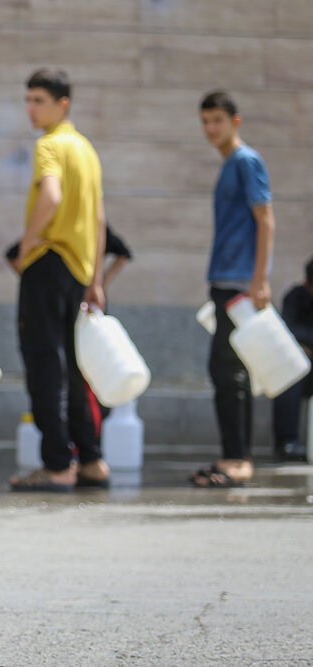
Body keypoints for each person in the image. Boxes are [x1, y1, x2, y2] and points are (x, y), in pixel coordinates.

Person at [8, 69, 108, 493]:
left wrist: (26, 245)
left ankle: (56, 465)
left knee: (45, 366)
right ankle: (90, 461)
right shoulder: (85, 149)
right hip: (78, 270)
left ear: (62, 103)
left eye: (39, 101)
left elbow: (51, 196)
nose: (31, 109)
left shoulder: (50, 144)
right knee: (74, 366)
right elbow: (99, 218)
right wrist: (96, 277)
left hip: (48, 264)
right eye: (28, 100)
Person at [191, 90, 276, 488]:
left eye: (217, 121)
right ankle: (236, 456)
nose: (211, 129)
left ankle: (237, 459)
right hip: (224, 280)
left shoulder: (245, 161)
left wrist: (260, 280)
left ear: (235, 121)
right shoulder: (230, 164)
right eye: (205, 121)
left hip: (240, 283)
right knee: (230, 370)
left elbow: (266, 220)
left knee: (227, 370)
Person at [272, 258, 313, 462]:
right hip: (301, 370)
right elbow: (286, 329)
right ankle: (286, 443)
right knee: (288, 376)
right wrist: (300, 346)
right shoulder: (296, 297)